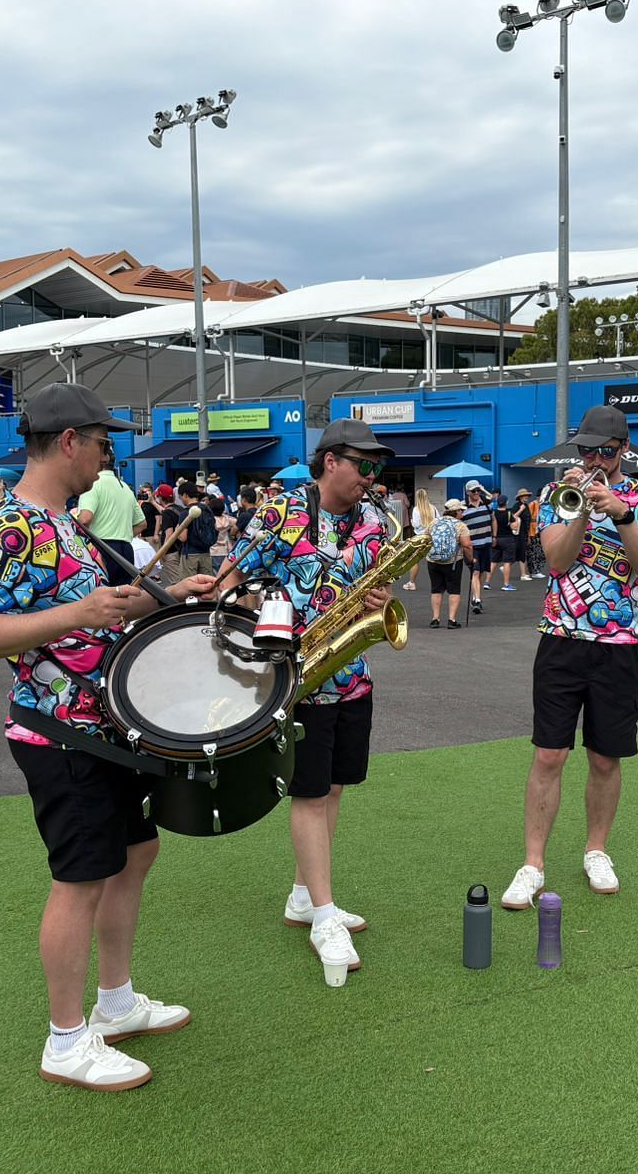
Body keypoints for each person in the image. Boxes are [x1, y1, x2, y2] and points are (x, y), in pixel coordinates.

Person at [0, 383, 215, 1093]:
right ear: (70, 441)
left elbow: (99, 609)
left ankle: (117, 1002)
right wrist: (79, 610)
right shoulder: (14, 527)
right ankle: (66, 1040)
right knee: (80, 879)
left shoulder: (69, 525)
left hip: (105, 729)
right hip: (60, 734)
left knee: (136, 851)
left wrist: (167, 598)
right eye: (104, 445)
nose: (108, 460)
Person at [218, 418, 396, 983]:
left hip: (352, 670)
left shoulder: (373, 521)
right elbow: (229, 580)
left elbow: (375, 589)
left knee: (335, 786)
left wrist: (380, 597)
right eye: (362, 465)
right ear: (329, 461)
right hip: (298, 675)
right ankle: (323, 914)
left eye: (377, 468)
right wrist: (271, 611)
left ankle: (304, 896)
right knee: (310, 793)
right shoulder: (280, 513)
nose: (371, 476)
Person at [502, 405, 638, 909]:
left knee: (604, 756)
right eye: (586, 449)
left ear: (624, 449)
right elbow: (555, 559)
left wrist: (618, 511)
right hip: (560, 637)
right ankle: (533, 863)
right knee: (548, 753)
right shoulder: (557, 494)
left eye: (605, 451)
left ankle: (597, 850)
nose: (594, 458)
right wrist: (580, 510)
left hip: (617, 645)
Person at [75, 455, 144, 569]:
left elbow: (85, 519)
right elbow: (141, 524)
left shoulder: (92, 484)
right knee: (125, 586)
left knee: (102, 586)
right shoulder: (125, 487)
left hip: (101, 548)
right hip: (126, 549)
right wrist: (123, 534)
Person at [425, 497, 473, 629]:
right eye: (461, 511)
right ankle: (451, 620)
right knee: (454, 590)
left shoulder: (434, 522)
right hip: (453, 561)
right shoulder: (460, 525)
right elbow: (467, 545)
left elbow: (425, 538)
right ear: (456, 511)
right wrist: (471, 559)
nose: (462, 513)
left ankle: (435, 618)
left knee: (436, 590)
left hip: (433, 561)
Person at [167, 483, 217, 581]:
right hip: (206, 553)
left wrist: (177, 529)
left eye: (181, 496)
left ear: (185, 495)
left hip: (190, 554)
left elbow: (183, 537)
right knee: (206, 583)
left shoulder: (186, 512)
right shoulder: (206, 509)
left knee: (189, 585)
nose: (181, 499)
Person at [460, 482, 494, 612]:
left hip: (486, 542)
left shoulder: (486, 503)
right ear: (468, 492)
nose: (476, 493)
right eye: (473, 491)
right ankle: (478, 601)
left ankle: (475, 597)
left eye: (478, 490)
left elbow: (493, 519)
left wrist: (494, 537)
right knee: (475, 571)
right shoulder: (462, 507)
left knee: (480, 572)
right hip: (472, 546)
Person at [492, 493, 520, 592]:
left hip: (496, 539)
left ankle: (486, 582)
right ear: (506, 502)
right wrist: (516, 520)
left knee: (493, 561)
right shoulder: (509, 514)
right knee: (507, 562)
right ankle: (506, 584)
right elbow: (514, 527)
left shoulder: (494, 513)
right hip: (508, 539)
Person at [511, 488, 536, 582]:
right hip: (518, 533)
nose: (526, 497)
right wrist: (521, 510)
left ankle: (507, 566)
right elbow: (512, 517)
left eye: (527, 495)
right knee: (522, 553)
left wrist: (529, 535)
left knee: (521, 552)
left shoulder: (526, 505)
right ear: (520, 497)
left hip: (525, 532)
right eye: (524, 495)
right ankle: (523, 574)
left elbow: (528, 521)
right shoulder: (517, 506)